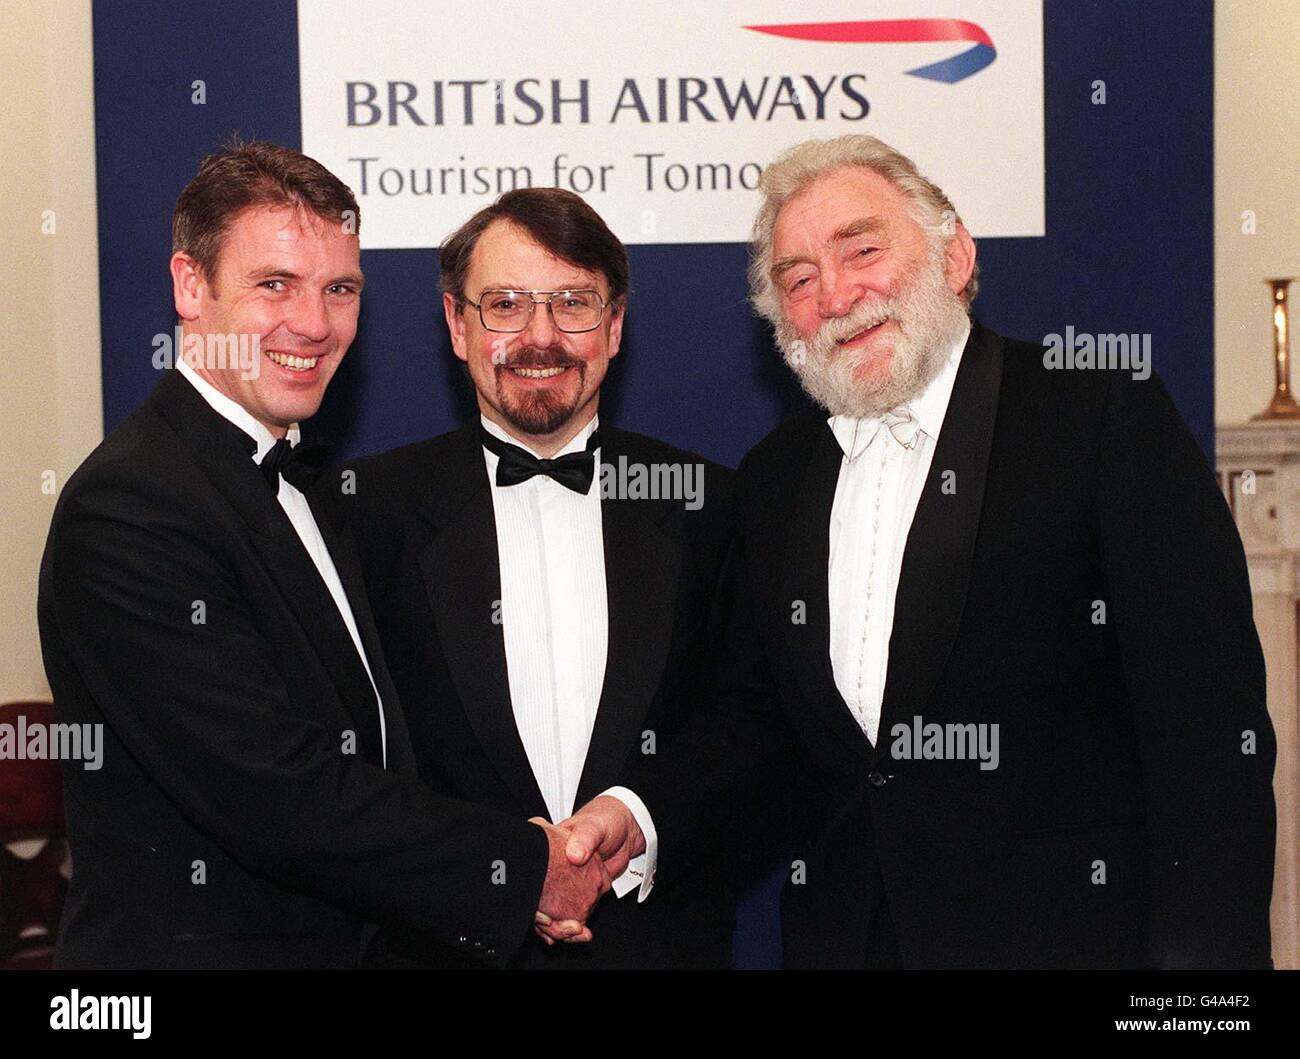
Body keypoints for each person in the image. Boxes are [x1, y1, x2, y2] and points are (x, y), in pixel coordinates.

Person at [559, 134, 1278, 969]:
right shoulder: (775, 480)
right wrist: (637, 816)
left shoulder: (1099, 418)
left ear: (955, 253)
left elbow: (1208, 734)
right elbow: (760, 722)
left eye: (861, 249)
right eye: (798, 278)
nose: (835, 294)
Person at [37, 142, 607, 969]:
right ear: (190, 286)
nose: (313, 323)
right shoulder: (132, 506)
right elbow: (273, 791)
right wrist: (524, 868)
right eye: (275, 284)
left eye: (340, 289)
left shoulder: (308, 494)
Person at [330, 187, 737, 968]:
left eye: (573, 303)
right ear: (457, 324)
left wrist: (638, 814)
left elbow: (750, 722)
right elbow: (345, 767)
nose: (540, 336)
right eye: (506, 304)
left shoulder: (711, 505)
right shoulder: (361, 515)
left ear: (615, 327)